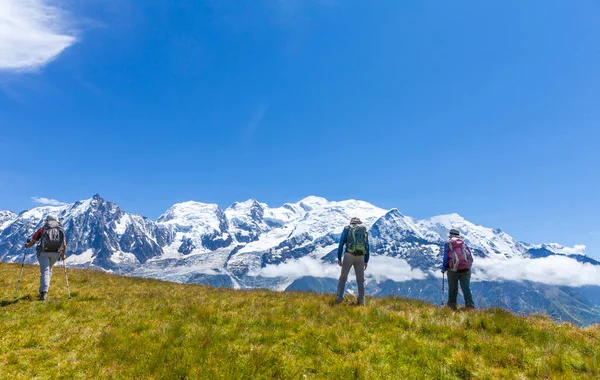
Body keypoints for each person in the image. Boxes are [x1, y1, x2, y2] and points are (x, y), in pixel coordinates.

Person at [24, 215, 67, 301]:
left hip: (43, 252)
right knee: (49, 270)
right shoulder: (61, 230)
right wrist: (62, 255)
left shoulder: (42, 229)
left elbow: (32, 242)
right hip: (55, 253)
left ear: (47, 221)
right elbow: (64, 245)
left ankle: (43, 292)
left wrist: (27, 245)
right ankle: (44, 289)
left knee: (45, 271)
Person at [336, 217, 369, 305]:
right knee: (360, 280)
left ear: (351, 222)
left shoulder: (347, 228)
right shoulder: (364, 230)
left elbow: (341, 242)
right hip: (361, 256)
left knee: (343, 277)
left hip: (349, 255)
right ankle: (361, 301)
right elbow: (367, 245)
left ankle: (339, 298)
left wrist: (339, 257)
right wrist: (366, 260)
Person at [441, 228, 474, 310]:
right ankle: (470, 306)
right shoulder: (463, 244)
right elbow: (470, 257)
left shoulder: (448, 244)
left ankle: (452, 306)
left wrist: (444, 268)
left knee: (453, 289)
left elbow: (446, 258)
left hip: (453, 270)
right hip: (466, 269)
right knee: (466, 288)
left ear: (450, 236)